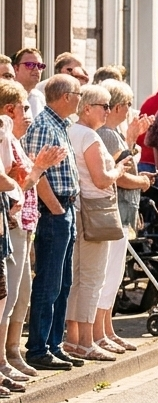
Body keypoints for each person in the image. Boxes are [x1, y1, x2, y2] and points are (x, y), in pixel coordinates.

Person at [0, 83, 62, 379]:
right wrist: (37, 168)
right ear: (8, 110)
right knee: (8, 296)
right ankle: (3, 359)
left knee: (21, 294)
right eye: (24, 108)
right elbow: (16, 188)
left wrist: (35, 168)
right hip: (11, 227)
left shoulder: (15, 141)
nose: (29, 114)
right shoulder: (6, 141)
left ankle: (12, 352)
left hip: (25, 227)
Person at [24, 74, 83, 370]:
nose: (81, 98)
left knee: (63, 282)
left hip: (65, 209)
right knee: (48, 282)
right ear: (65, 96)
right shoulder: (44, 126)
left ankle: (54, 344)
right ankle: (38, 348)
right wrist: (57, 210)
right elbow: (38, 173)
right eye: (78, 93)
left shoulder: (60, 124)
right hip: (54, 212)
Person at [64, 84, 124, 360]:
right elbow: (100, 179)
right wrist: (118, 170)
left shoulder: (70, 131)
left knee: (77, 279)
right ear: (87, 108)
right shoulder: (89, 135)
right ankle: (86, 341)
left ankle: (73, 339)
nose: (108, 111)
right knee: (92, 278)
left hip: (77, 210)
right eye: (104, 106)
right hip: (94, 212)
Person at [94, 80, 153, 354]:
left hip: (121, 212)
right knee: (108, 275)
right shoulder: (107, 134)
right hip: (113, 213)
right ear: (119, 106)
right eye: (128, 104)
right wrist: (142, 182)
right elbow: (120, 175)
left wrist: (131, 139)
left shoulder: (113, 133)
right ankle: (99, 333)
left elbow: (123, 165)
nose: (131, 109)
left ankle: (107, 330)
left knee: (115, 275)